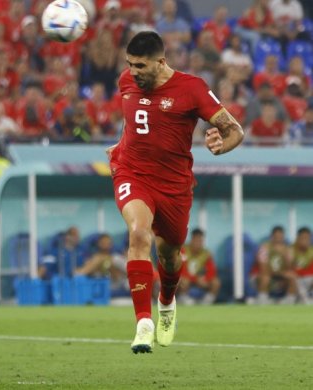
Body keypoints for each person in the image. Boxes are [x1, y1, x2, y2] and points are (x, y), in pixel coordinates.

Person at [106, 31, 244, 353]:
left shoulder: (191, 88)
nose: (134, 72)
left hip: (174, 186)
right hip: (133, 173)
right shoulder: (126, 82)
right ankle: (143, 323)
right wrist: (121, 145)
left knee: (169, 256)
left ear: (161, 62)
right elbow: (136, 122)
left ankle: (166, 302)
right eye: (130, 65)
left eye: (140, 66)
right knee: (139, 234)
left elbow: (234, 130)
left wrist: (221, 146)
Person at [252, 225, 298, 304]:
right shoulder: (264, 248)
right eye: (276, 237)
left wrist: (286, 257)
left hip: (280, 276)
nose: (278, 239)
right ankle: (262, 299)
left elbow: (289, 268)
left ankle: (289, 301)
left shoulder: (288, 249)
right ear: (271, 237)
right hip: (264, 275)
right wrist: (279, 273)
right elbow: (263, 268)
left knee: (292, 276)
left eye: (280, 237)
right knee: (265, 277)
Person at [179, 228, 220, 305]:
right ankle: (182, 298)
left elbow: (212, 271)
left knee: (215, 282)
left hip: (199, 278)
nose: (198, 244)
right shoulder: (183, 250)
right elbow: (182, 270)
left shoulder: (206, 254)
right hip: (186, 278)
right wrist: (195, 279)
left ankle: (208, 300)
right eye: (196, 241)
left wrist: (205, 279)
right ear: (192, 240)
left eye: (200, 241)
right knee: (184, 280)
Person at [292, 226, 313, 304]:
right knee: (292, 277)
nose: (305, 241)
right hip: (296, 279)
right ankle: (304, 301)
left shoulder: (311, 251)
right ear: (297, 238)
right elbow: (289, 268)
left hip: (308, 279)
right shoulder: (290, 250)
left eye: (308, 238)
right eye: (303, 238)